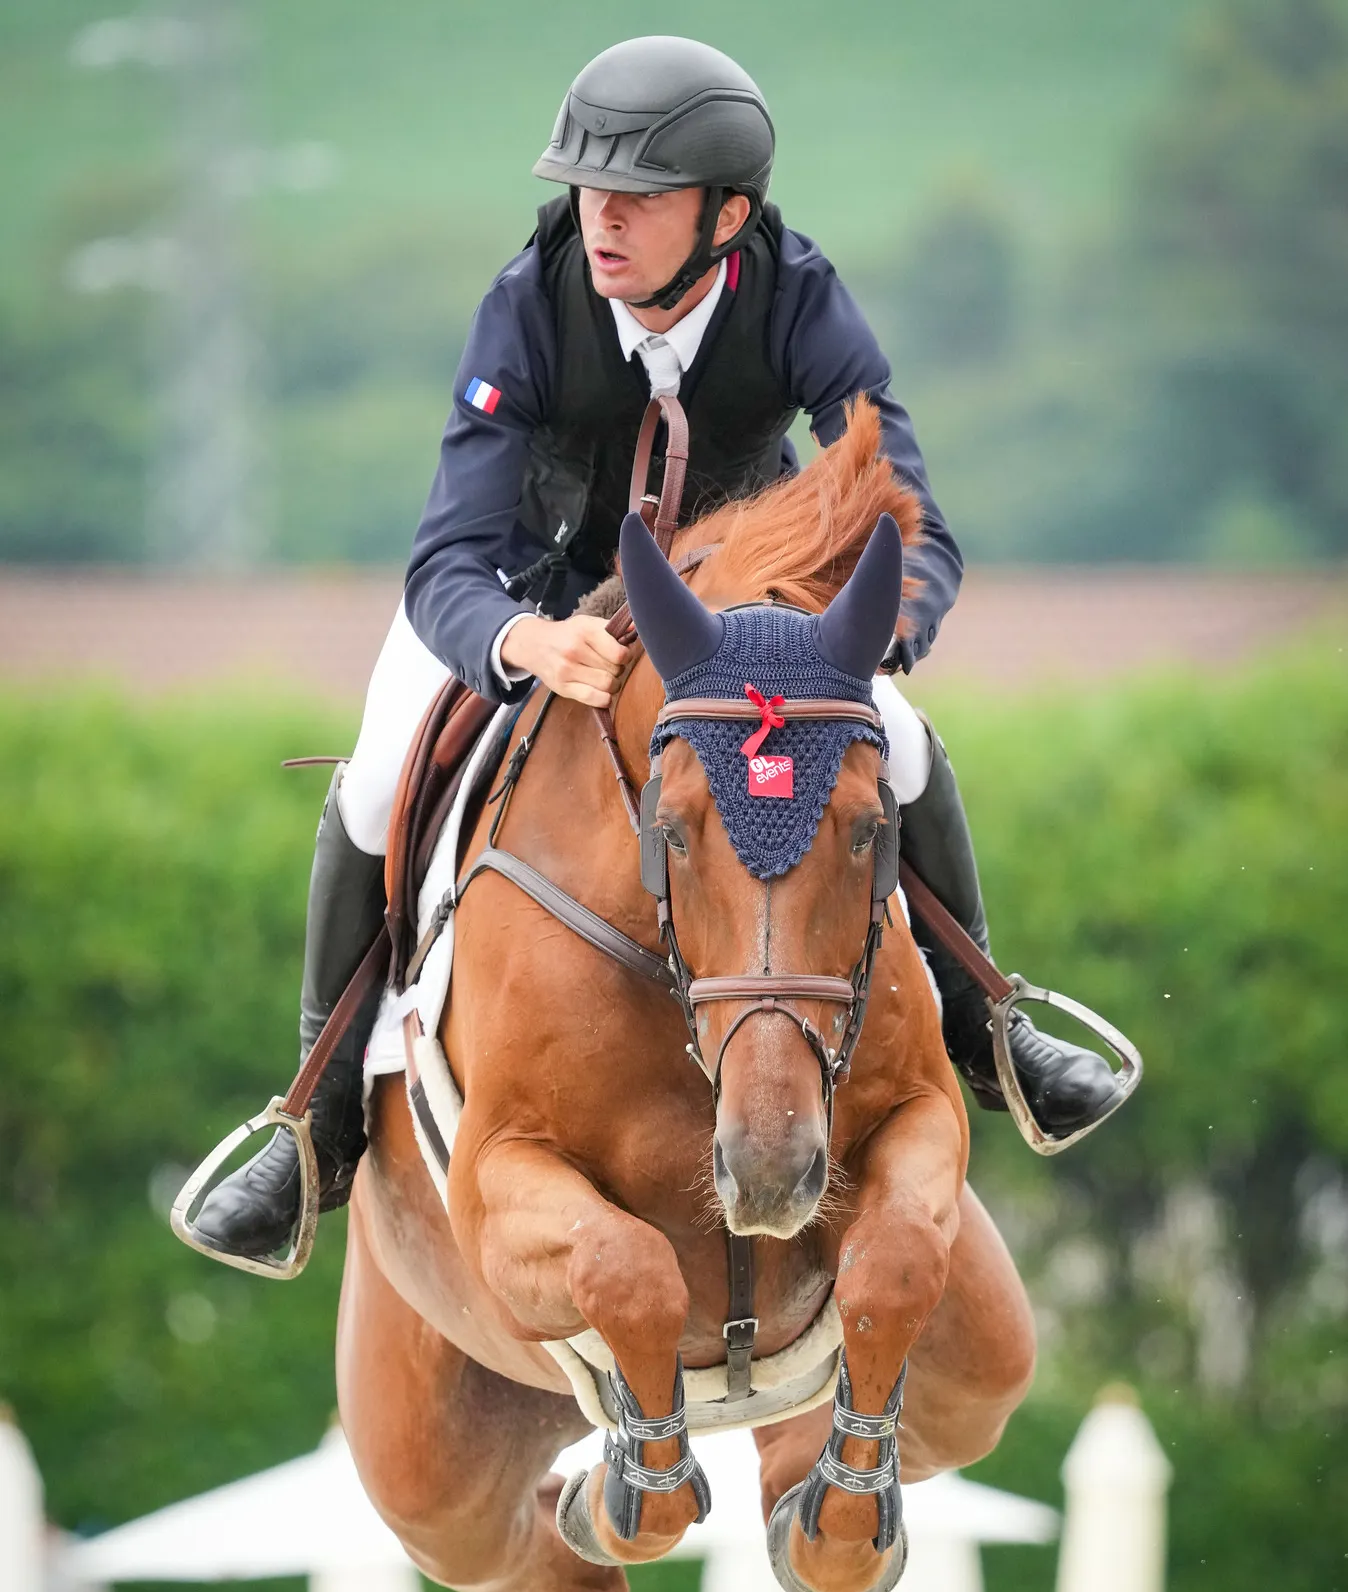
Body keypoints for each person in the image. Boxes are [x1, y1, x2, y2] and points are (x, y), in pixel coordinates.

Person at [191, 36, 1121, 1266]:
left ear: (727, 214)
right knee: (373, 778)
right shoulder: (527, 308)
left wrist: (874, 641)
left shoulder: (796, 294)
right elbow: (444, 562)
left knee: (896, 744)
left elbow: (912, 515)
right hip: (535, 598)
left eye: (638, 197)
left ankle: (987, 1021)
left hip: (746, 624)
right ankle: (311, 1121)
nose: (603, 218)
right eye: (588, 188)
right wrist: (520, 640)